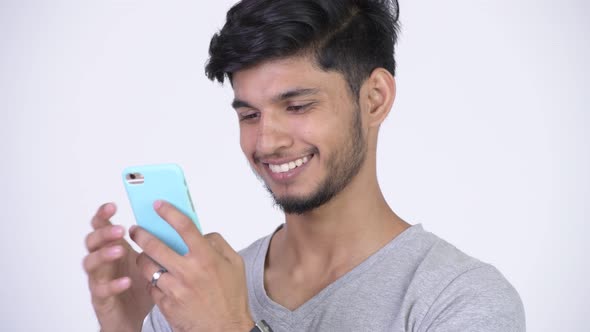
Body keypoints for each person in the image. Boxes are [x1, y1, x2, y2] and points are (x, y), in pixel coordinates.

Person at [83, 0, 526, 331]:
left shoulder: (459, 298)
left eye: (296, 106)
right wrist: (127, 327)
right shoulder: (204, 289)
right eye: (249, 114)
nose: (266, 141)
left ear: (374, 99)